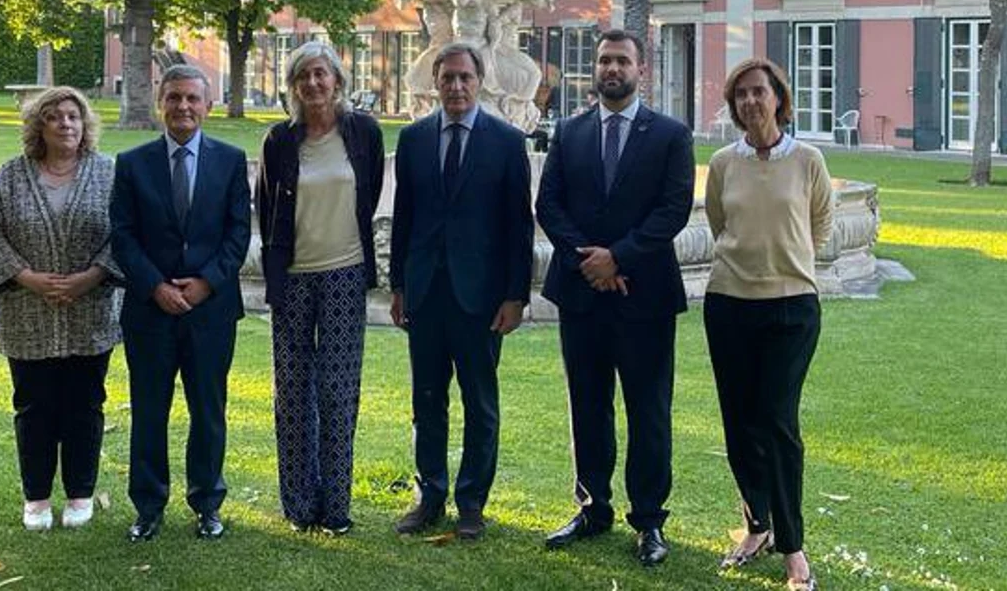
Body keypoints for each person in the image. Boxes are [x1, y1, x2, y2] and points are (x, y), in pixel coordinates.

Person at [534, 28, 694, 567]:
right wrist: (590, 261)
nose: (611, 69)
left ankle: (649, 520)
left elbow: (672, 211)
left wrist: (619, 258)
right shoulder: (569, 131)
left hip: (644, 297)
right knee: (587, 405)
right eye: (604, 60)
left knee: (648, 410)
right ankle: (592, 507)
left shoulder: (670, 134)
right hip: (582, 295)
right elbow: (549, 202)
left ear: (640, 69)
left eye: (621, 61)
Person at [388, 42, 533, 541]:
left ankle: (471, 501)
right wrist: (399, 286)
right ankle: (429, 495)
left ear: (479, 80)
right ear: (436, 81)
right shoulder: (413, 140)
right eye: (447, 78)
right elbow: (403, 218)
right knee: (427, 401)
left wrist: (516, 295)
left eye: (465, 78)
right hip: (425, 293)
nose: (455, 87)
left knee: (479, 403)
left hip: (482, 298)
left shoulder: (508, 142)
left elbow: (520, 226)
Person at [702, 58, 834, 591]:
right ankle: (757, 523)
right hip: (729, 303)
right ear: (734, 106)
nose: (751, 103)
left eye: (759, 92)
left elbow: (821, 223)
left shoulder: (807, 160)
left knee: (777, 421)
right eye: (741, 96)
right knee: (738, 424)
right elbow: (718, 223)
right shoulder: (723, 163)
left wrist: (788, 262)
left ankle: (794, 549)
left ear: (778, 98)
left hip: (791, 307)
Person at [111, 64, 251, 543]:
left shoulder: (232, 161)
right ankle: (148, 506)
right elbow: (123, 237)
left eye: (192, 98)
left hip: (211, 311)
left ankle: (207, 502)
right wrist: (156, 286)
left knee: (208, 410)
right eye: (174, 98)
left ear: (207, 106)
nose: (183, 107)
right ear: (160, 103)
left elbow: (238, 234)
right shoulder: (131, 164)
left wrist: (205, 285)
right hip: (150, 311)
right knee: (150, 410)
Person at [0, 87, 121, 532]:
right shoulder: (10, 176)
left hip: (90, 308)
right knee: (34, 407)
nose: (65, 124)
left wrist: (92, 275)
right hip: (27, 310)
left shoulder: (108, 173)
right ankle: (36, 497)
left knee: (85, 404)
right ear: (39, 125)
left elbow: (128, 232)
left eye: (74, 116)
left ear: (85, 124)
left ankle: (80, 492)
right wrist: (26, 276)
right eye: (54, 116)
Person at [255, 41, 384, 534]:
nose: (313, 83)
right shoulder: (279, 141)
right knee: (292, 393)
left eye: (321, 74)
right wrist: (274, 274)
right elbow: (267, 211)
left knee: (337, 390)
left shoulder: (363, 132)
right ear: (293, 86)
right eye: (303, 76)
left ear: (338, 81)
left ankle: (336, 507)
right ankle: (299, 505)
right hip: (293, 278)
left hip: (345, 274)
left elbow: (367, 197)